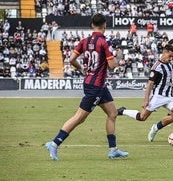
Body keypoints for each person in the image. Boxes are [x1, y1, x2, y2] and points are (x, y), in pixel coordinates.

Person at [45, 13, 128, 161]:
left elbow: (71, 59)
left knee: (113, 113)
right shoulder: (104, 42)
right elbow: (112, 65)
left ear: (92, 25)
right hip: (96, 87)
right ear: (105, 26)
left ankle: (113, 149)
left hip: (97, 85)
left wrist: (82, 69)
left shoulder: (84, 41)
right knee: (79, 118)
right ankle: (54, 143)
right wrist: (119, 57)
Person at [117, 44, 173, 145]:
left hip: (169, 97)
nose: (172, 59)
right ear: (165, 52)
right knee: (142, 117)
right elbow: (150, 84)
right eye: (170, 56)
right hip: (157, 97)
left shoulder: (169, 62)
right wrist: (146, 100)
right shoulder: (156, 67)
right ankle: (123, 111)